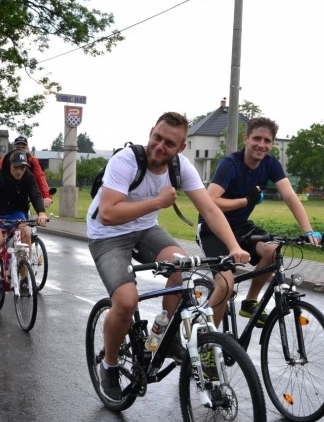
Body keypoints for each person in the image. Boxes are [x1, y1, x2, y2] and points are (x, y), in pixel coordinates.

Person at [87, 111, 250, 401]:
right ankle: (109, 365)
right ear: (151, 132)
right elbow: (108, 213)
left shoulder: (181, 167)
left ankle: (167, 335)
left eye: (169, 143)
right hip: (107, 236)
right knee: (125, 302)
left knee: (182, 266)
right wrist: (157, 202)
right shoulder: (125, 161)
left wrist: (233, 246)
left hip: (146, 230)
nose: (160, 146)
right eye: (157, 138)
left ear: (181, 148)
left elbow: (210, 209)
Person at [196, 117, 322, 326]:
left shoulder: (270, 164)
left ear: (272, 144)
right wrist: (245, 201)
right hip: (213, 229)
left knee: (273, 250)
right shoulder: (230, 164)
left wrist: (308, 230)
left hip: (240, 227)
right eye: (256, 138)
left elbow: (290, 196)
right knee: (226, 284)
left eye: (267, 141)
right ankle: (208, 341)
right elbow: (210, 202)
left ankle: (250, 303)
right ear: (246, 139)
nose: (261, 145)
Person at [0, 150, 48, 301]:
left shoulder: (28, 176)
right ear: (10, 165)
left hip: (16, 212)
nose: (19, 171)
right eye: (16, 167)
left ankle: (24, 279)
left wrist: (41, 213)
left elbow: (35, 194)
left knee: (26, 234)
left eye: (22, 168)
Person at [0, 135, 53, 209]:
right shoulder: (5, 160)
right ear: (13, 148)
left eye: (23, 148)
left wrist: (46, 196)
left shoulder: (32, 161)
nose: (20, 150)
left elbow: (40, 177)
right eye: (18, 147)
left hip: (27, 188)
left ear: (27, 149)